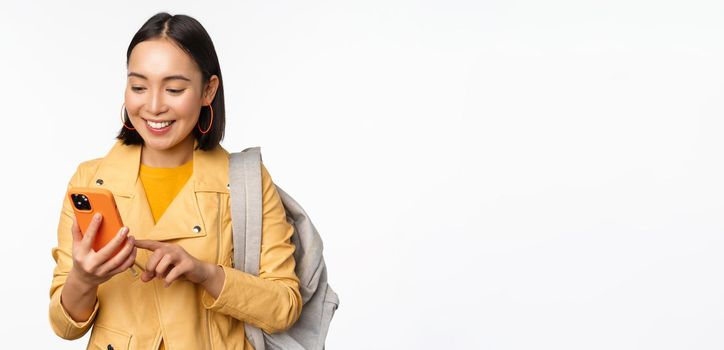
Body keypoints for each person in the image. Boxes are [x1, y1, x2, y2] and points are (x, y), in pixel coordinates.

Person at [48, 12, 303, 350]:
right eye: (138, 86)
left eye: (174, 89)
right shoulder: (91, 180)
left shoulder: (245, 181)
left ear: (208, 90)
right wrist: (83, 278)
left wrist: (206, 274)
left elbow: (285, 307)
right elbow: (65, 327)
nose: (153, 106)